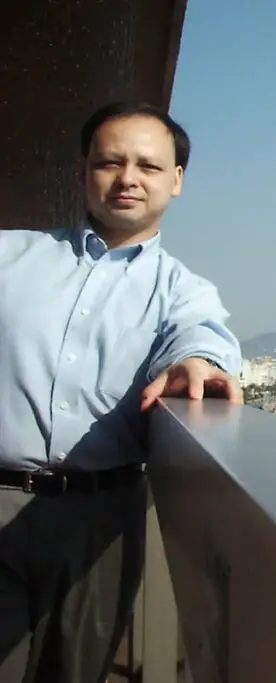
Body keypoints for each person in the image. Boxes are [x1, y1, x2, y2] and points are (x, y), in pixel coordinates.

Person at [0, 102, 243, 683]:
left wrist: (198, 361)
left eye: (148, 166)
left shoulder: (184, 289)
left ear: (176, 180)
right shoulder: (10, 256)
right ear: (85, 170)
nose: (128, 178)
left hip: (102, 519)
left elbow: (201, 336)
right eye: (110, 161)